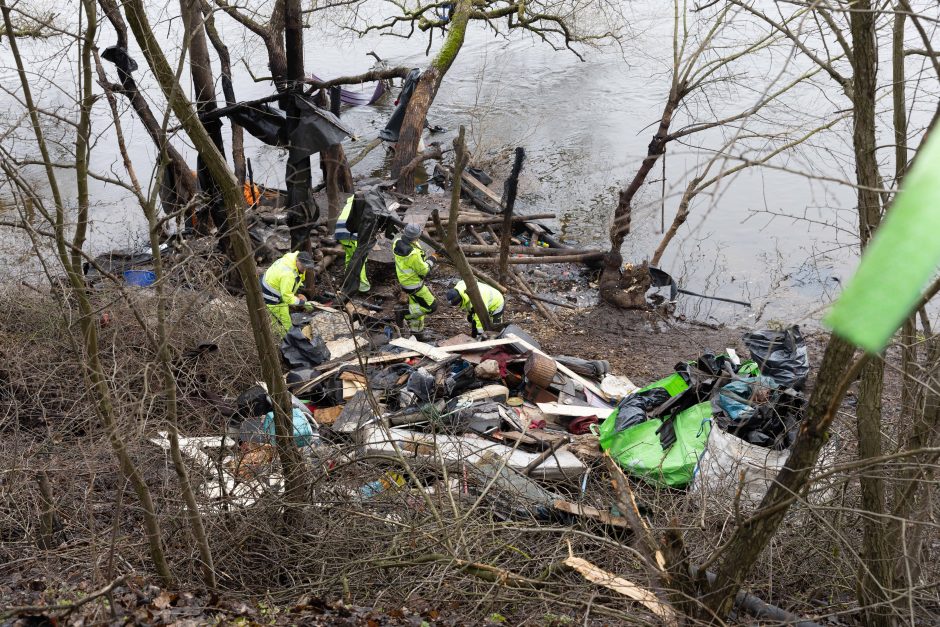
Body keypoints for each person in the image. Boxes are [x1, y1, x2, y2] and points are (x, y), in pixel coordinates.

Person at [392, 224, 437, 334]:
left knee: (417, 308)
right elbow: (424, 270)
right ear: (416, 237)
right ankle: (403, 312)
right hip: (415, 285)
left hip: (405, 282)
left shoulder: (397, 242)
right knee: (431, 306)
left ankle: (417, 333)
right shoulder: (413, 254)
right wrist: (432, 258)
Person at [260, 250, 313, 338]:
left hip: (270, 287)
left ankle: (282, 336)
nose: (305, 269)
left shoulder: (291, 258)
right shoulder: (288, 275)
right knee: (283, 323)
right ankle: (284, 341)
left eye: (306, 267)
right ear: (298, 261)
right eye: (303, 266)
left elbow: (298, 277)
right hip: (270, 296)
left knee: (279, 320)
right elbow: (287, 298)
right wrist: (303, 303)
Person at [334, 193, 370, 293]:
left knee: (349, 257)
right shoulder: (362, 206)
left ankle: (348, 280)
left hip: (340, 233)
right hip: (351, 234)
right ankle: (362, 286)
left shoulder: (348, 204)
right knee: (360, 259)